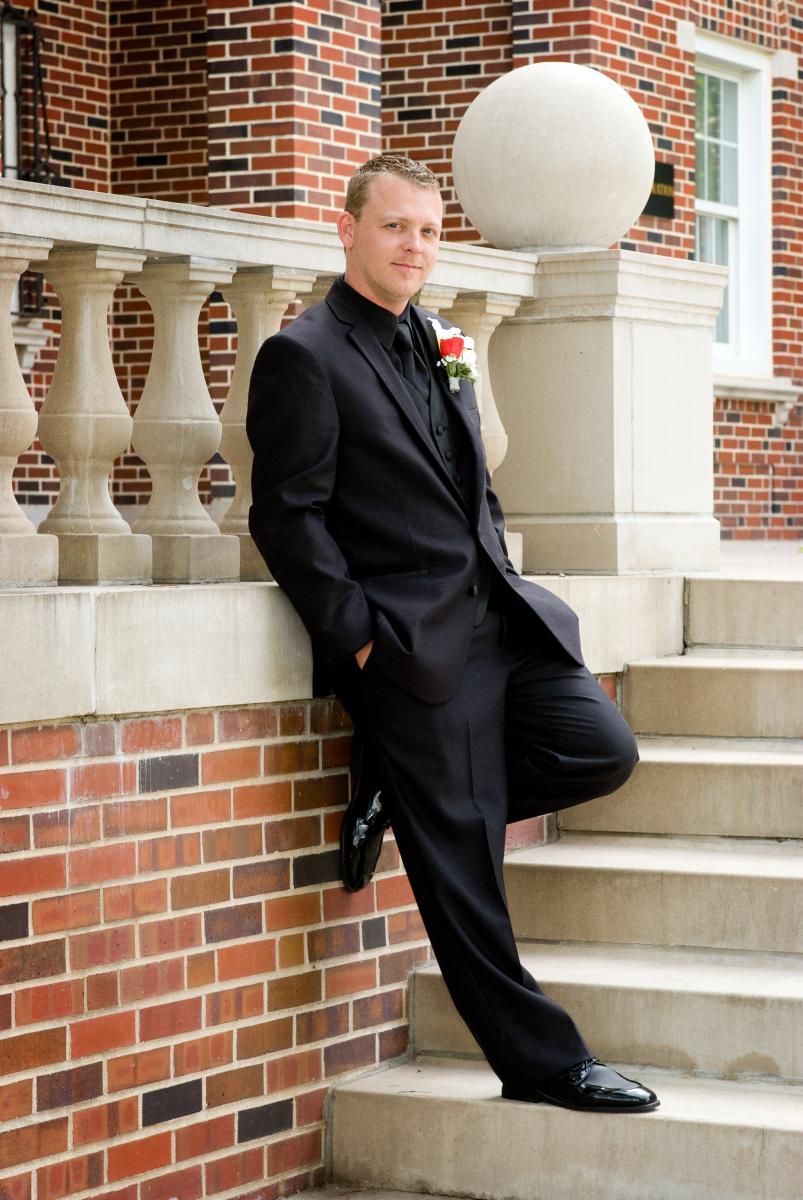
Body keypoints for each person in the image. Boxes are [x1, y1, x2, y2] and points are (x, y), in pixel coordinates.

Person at [247, 154, 659, 1114]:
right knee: (465, 875)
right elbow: (287, 517)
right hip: (405, 646)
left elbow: (469, 477)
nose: (414, 247)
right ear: (347, 230)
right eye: (395, 227)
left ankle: (410, 794)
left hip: (500, 621)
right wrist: (357, 641)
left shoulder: (443, 337)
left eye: (428, 231)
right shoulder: (302, 354)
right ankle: (545, 1064)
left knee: (601, 751)